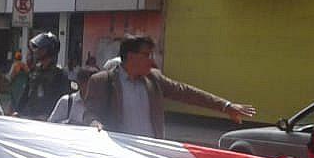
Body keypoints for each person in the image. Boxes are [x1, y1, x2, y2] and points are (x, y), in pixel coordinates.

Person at [83, 34, 256, 138]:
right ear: (130, 56)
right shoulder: (102, 81)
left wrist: (226, 106)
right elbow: (89, 113)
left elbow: (187, 93)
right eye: (146, 55)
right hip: (119, 157)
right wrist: (94, 124)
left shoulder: (154, 79)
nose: (152, 60)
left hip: (152, 156)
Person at [15, 32, 69, 120]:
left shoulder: (60, 75)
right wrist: (18, 111)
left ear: (49, 50)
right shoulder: (34, 72)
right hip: (29, 118)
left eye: (40, 48)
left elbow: (63, 102)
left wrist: (49, 117)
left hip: (48, 122)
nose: (36, 51)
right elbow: (25, 96)